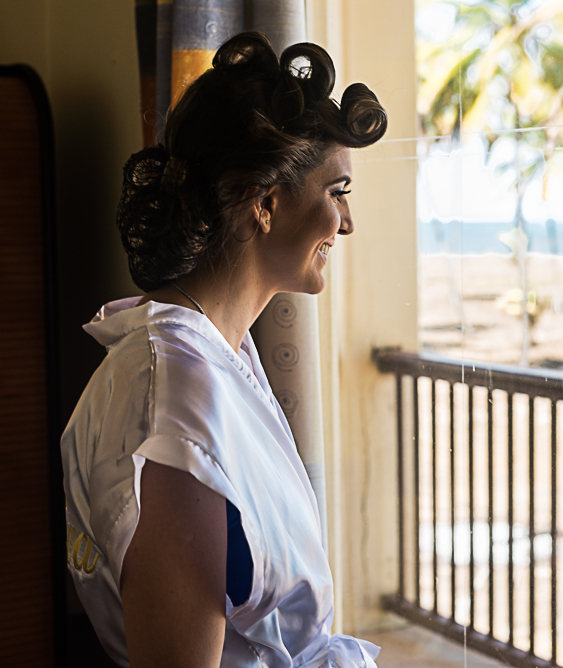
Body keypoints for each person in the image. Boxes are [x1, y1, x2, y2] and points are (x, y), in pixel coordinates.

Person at [60, 31, 387, 667]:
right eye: (337, 192)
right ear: (266, 202)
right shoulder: (175, 403)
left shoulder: (217, 357)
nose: (346, 223)